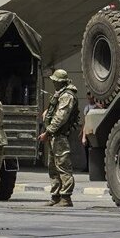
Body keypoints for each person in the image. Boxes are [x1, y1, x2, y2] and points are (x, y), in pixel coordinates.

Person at [39, 69, 79, 207]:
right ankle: (55, 196)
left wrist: (48, 132)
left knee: (63, 166)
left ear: (59, 82)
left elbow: (61, 117)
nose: (53, 83)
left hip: (59, 136)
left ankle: (66, 197)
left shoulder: (67, 96)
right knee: (53, 168)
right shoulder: (60, 94)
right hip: (54, 136)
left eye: (54, 81)